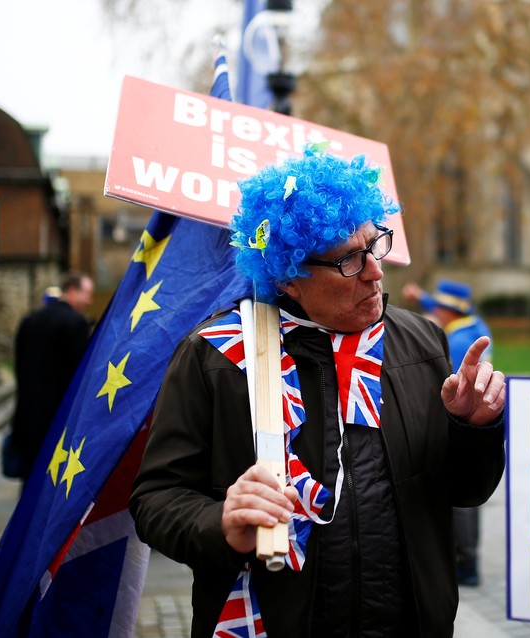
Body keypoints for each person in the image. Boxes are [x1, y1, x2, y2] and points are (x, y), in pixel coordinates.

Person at [129, 147, 507, 637]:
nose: (375, 271)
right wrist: (220, 522)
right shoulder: (214, 356)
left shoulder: (421, 340)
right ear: (289, 277)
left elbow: (465, 491)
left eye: (376, 245)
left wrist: (472, 429)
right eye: (349, 259)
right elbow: (156, 499)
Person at [402, 279, 492, 586]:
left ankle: (466, 564)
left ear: (449, 311)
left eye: (439, 307)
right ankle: (467, 560)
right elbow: (439, 307)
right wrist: (421, 297)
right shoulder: (471, 323)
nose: (435, 310)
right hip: (469, 419)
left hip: (457, 417)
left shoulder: (456, 341)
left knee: (461, 499)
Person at [9, 271, 94, 482]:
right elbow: (81, 375)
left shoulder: (29, 320)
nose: (89, 301)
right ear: (73, 291)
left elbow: (18, 368)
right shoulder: (75, 324)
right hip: (58, 422)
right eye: (87, 294)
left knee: (29, 487)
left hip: (27, 419)